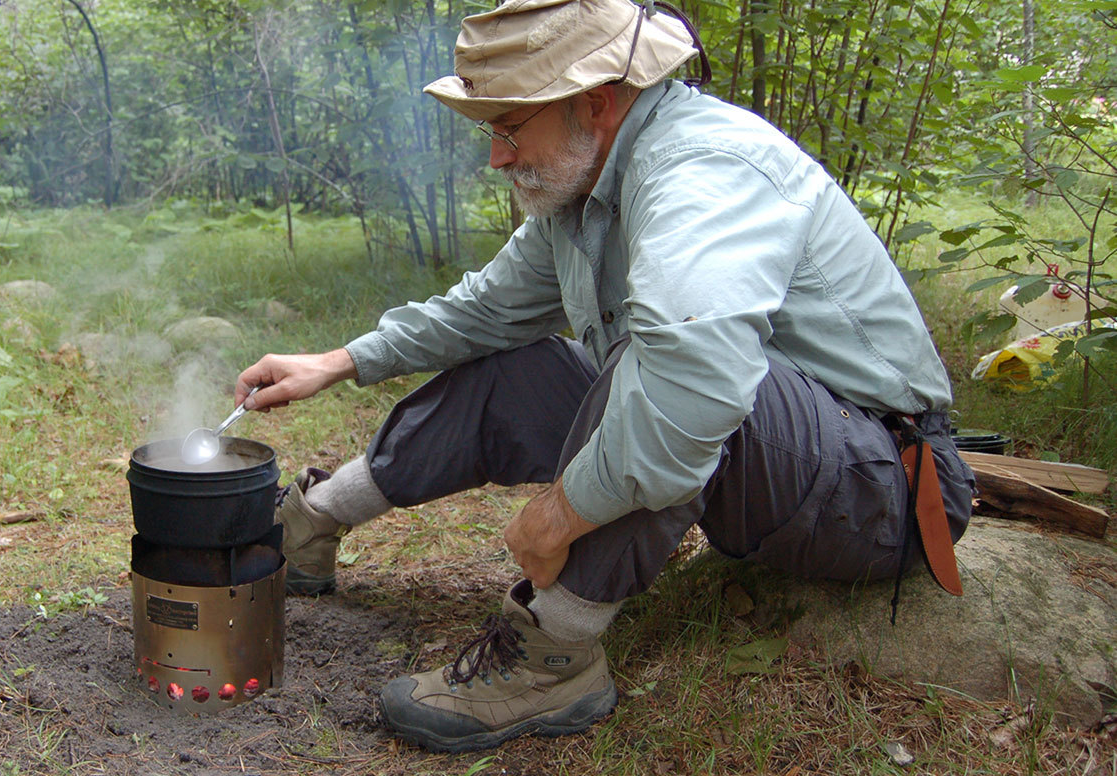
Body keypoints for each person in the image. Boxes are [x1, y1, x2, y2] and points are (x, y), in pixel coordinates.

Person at [233, 0, 974, 754]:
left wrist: (561, 513)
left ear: (595, 102)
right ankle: (316, 522)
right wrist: (337, 361)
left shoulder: (702, 170)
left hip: (882, 492)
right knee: (516, 367)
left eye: (509, 128)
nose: (496, 156)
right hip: (779, 463)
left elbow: (692, 384)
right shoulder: (584, 194)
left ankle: (556, 657)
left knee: (658, 369)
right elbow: (483, 312)